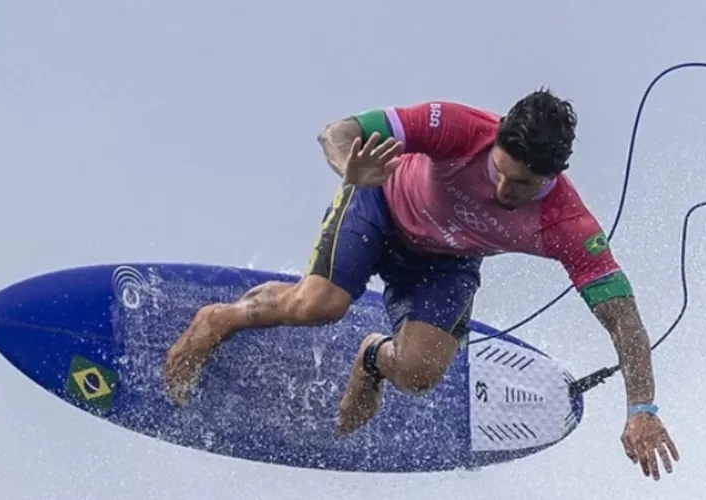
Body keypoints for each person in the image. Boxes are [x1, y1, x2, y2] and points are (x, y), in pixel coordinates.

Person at [164, 89, 679, 481]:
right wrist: (352, 167)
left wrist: (642, 410)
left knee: (418, 373)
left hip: (446, 264)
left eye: (522, 185)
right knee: (319, 304)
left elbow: (623, 320)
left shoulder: (566, 223)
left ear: (553, 175)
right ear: (496, 139)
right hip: (380, 207)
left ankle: (371, 359)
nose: (503, 189)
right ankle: (218, 319)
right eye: (500, 171)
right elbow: (337, 130)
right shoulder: (457, 128)